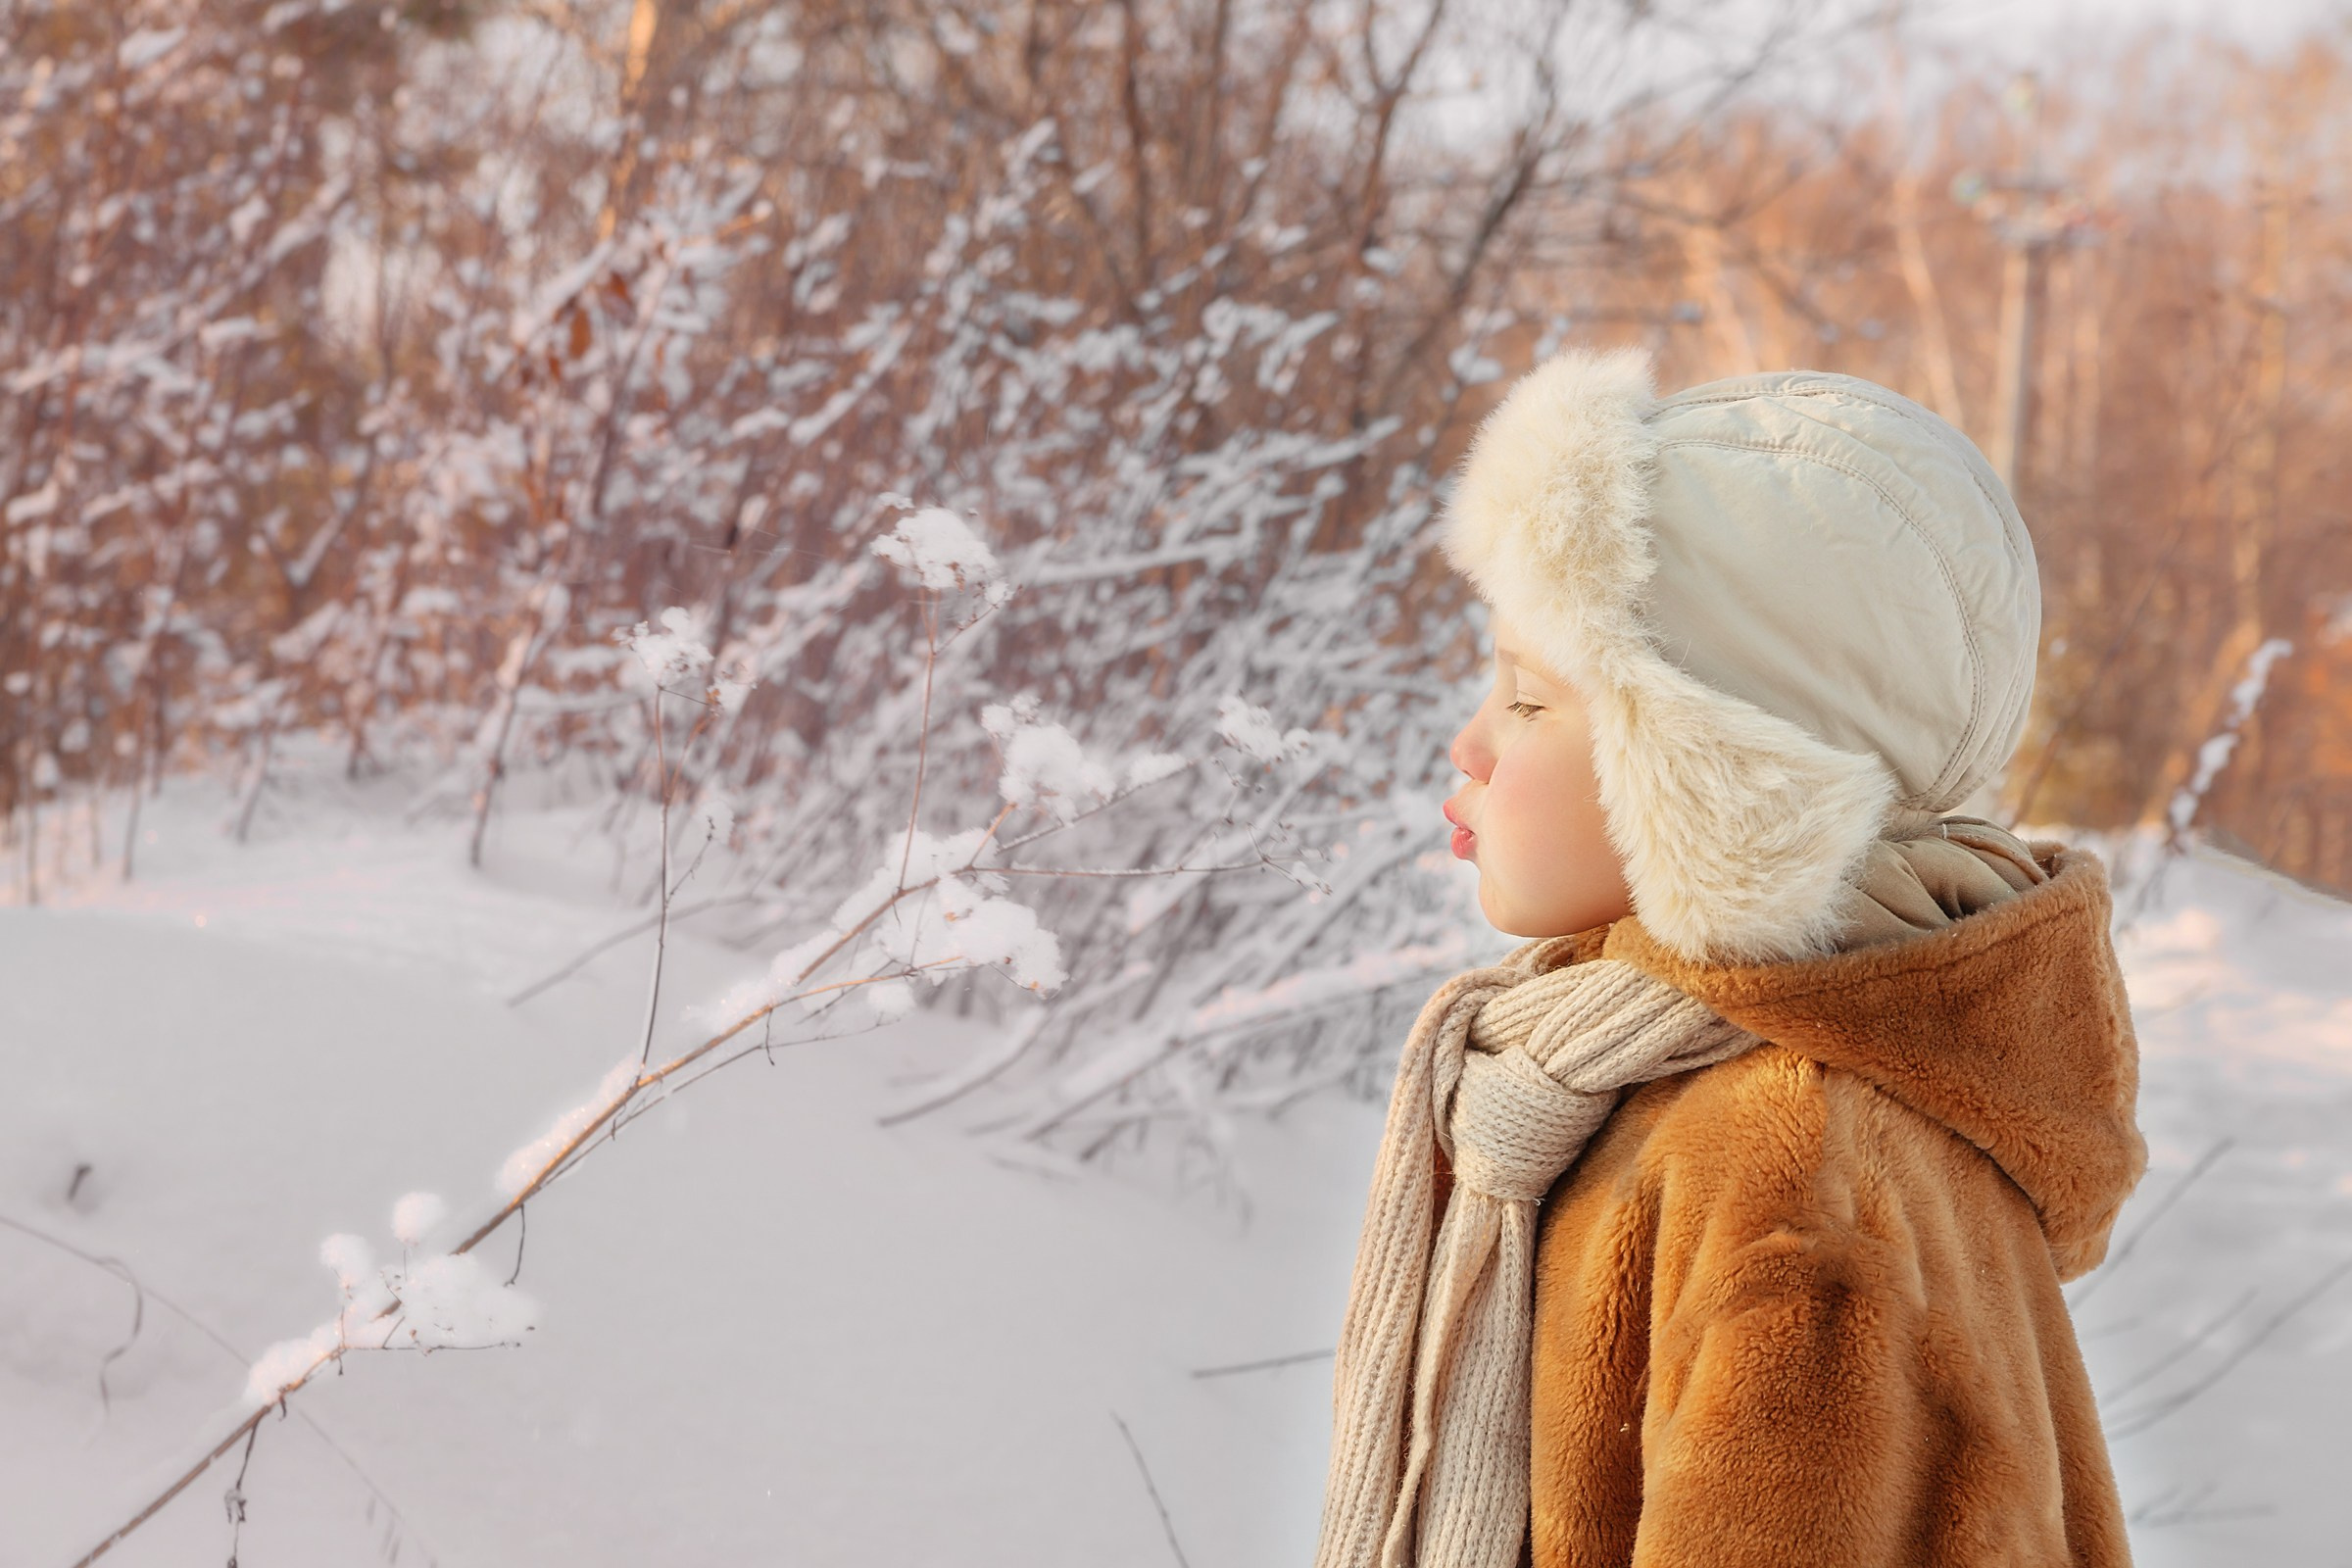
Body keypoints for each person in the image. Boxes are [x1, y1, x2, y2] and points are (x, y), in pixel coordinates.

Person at [1313, 348, 2147, 1568]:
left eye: (1531, 701)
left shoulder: (1803, 1176)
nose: (1472, 743)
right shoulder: (1621, 1074)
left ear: (1723, 772)